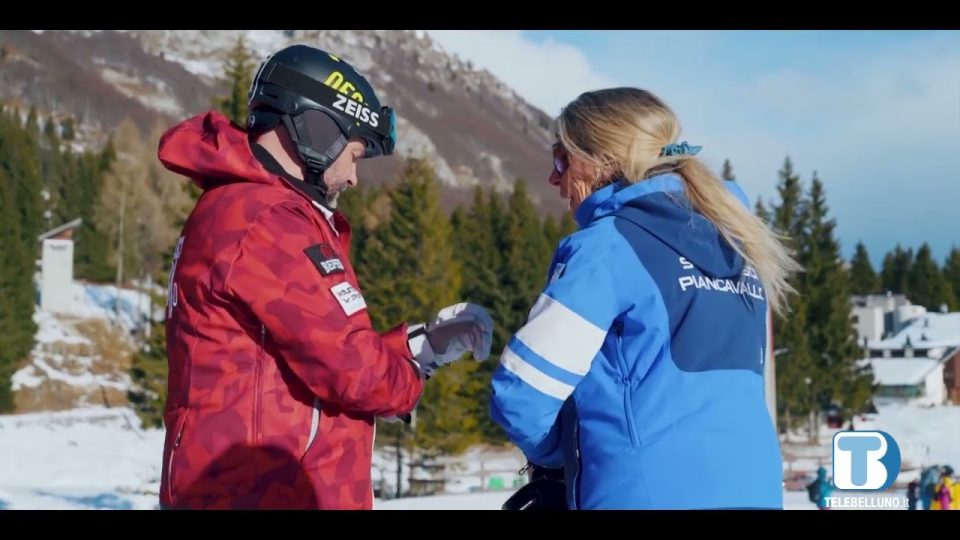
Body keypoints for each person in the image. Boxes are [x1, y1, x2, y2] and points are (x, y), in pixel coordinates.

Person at [157, 44, 493, 510]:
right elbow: (351, 370)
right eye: (353, 154)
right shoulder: (266, 220)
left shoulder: (245, 208)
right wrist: (411, 374)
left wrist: (420, 345)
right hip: (263, 494)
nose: (354, 178)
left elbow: (313, 348)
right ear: (317, 130)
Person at [489, 87, 800, 510]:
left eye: (562, 158)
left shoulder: (608, 248)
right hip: (755, 490)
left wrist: (561, 459)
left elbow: (521, 395)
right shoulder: (741, 244)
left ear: (602, 161)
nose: (554, 176)